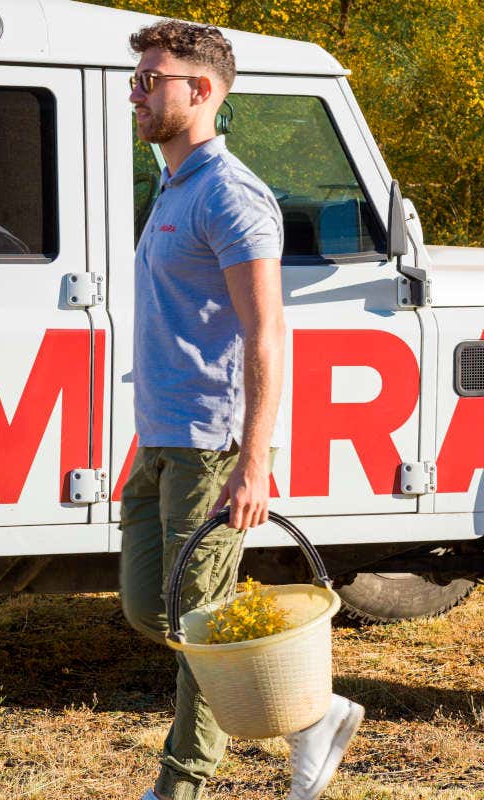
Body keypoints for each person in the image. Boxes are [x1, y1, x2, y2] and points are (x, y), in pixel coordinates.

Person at [117, 19, 364, 800]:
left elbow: (266, 337)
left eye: (153, 78)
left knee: (197, 618)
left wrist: (254, 460)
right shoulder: (174, 185)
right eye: (140, 77)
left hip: (210, 445)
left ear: (204, 91)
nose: (138, 88)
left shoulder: (232, 195)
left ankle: (178, 786)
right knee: (153, 611)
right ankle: (314, 713)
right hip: (161, 438)